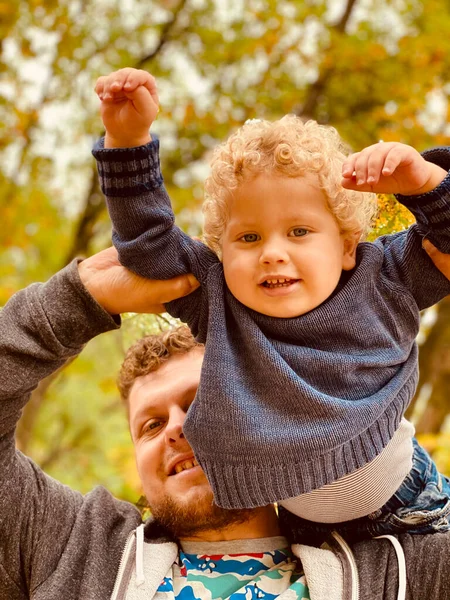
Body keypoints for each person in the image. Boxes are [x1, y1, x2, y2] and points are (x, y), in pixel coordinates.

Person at [92, 67, 450, 543]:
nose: (272, 252)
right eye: (248, 236)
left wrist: (424, 181)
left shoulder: (382, 277)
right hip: (312, 534)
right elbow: (148, 247)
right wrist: (127, 140)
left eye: (299, 231)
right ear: (222, 252)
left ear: (346, 245)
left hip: (415, 503)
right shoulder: (219, 304)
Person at [1, 245, 450, 600]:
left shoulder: (395, 575)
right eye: (151, 426)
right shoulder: (71, 550)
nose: (177, 428)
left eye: (197, 402)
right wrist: (78, 299)